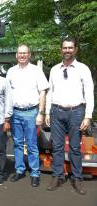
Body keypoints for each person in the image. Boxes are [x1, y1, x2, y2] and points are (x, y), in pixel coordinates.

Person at [45, 37, 94, 195]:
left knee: (75, 148)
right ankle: (57, 176)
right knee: (57, 147)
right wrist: (47, 112)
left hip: (76, 112)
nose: (67, 50)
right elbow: (50, 92)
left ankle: (77, 178)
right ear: (61, 50)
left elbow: (89, 94)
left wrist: (87, 116)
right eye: (65, 48)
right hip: (57, 111)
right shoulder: (54, 69)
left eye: (70, 48)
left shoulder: (83, 69)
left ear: (75, 50)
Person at [6, 44, 49, 187]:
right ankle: (19, 170)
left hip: (31, 113)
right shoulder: (11, 71)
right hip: (15, 113)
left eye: (25, 53)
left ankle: (35, 173)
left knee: (31, 145)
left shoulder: (36, 71)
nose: (22, 55)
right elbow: (8, 93)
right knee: (17, 143)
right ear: (16, 55)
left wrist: (41, 114)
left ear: (29, 55)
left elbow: (43, 92)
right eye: (20, 53)